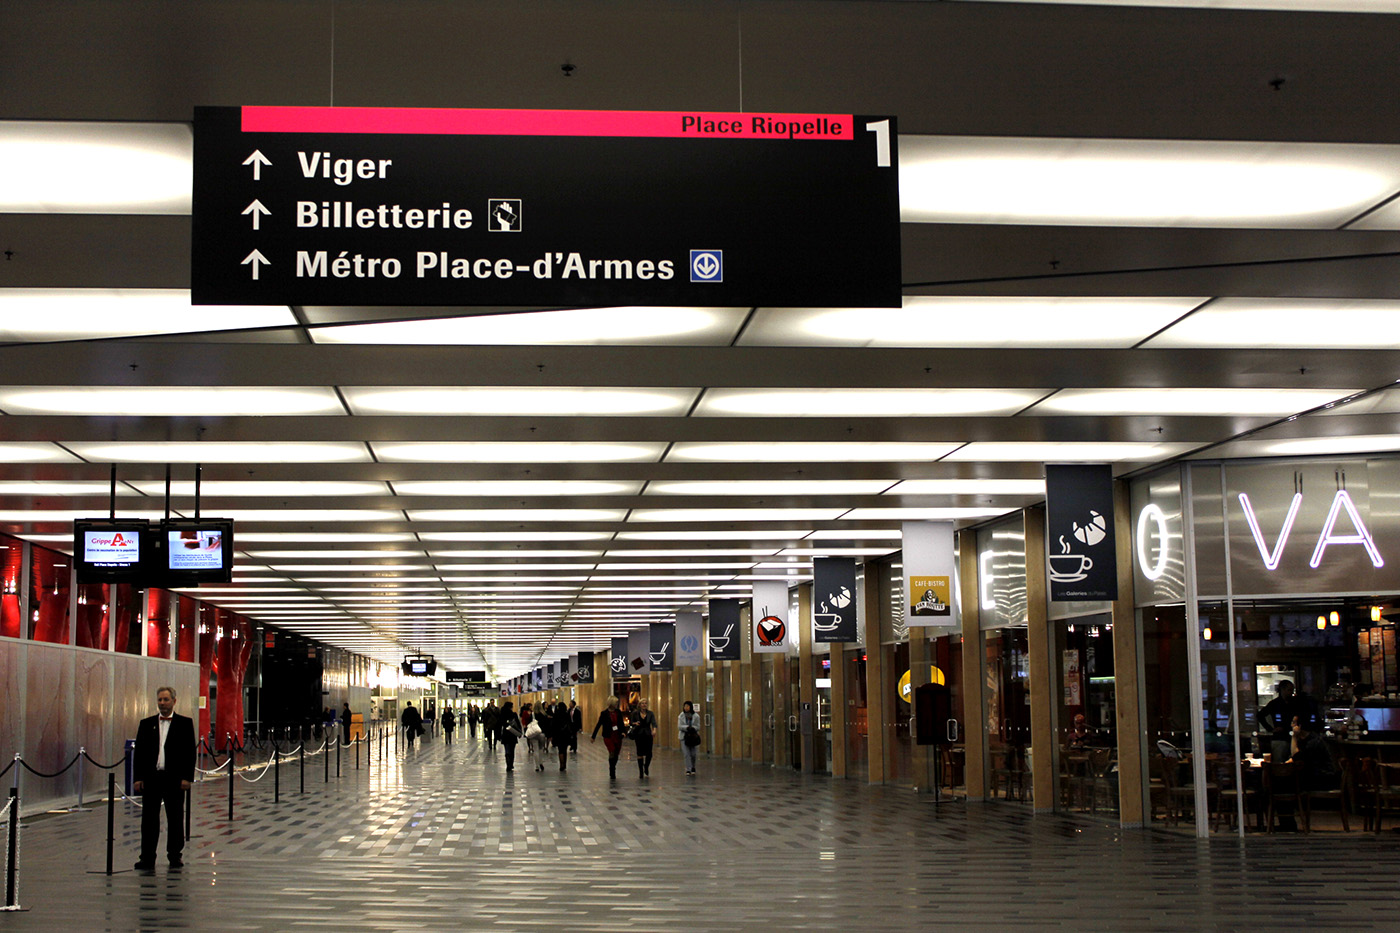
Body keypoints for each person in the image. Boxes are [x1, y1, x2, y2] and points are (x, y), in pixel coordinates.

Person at [132, 686, 196, 871]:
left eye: (166, 699)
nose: (162, 703)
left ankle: (175, 856)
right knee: (149, 819)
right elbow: (141, 754)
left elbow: (189, 753)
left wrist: (187, 778)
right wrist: (138, 778)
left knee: (175, 818)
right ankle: (147, 857)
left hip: (174, 779)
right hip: (152, 778)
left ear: (174, 701)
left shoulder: (184, 724)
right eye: (160, 700)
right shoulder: (146, 724)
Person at [1258, 680, 1309, 761]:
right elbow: (1260, 715)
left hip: (1294, 737)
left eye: (1292, 690)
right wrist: (1270, 729)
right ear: (1282, 689)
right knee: (1280, 762)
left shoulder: (1295, 703)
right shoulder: (1275, 704)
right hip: (1280, 738)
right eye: (1289, 690)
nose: (1291, 693)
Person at [591, 696, 626, 779]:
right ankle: (612, 769)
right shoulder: (604, 713)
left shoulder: (618, 712)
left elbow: (621, 723)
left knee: (616, 753)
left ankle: (613, 765)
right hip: (608, 736)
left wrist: (624, 732)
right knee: (612, 751)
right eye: (616, 703)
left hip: (617, 735)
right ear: (611, 703)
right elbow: (599, 724)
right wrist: (593, 736)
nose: (617, 705)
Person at [631, 697, 659, 778]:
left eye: (645, 703)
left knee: (649, 753)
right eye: (642, 703)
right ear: (639, 705)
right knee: (639, 752)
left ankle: (646, 766)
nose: (644, 705)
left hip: (648, 734)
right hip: (638, 734)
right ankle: (640, 772)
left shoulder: (650, 713)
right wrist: (635, 723)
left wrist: (654, 730)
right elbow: (631, 723)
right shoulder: (635, 713)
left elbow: (654, 723)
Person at [678, 700, 701, 775]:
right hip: (684, 736)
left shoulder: (696, 716)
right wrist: (687, 727)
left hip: (693, 737)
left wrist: (693, 728)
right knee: (686, 753)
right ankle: (688, 769)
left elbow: (698, 726)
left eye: (687, 706)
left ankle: (693, 767)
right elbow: (679, 726)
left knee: (693, 754)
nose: (686, 708)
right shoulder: (681, 716)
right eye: (685, 706)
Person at [498, 701, 522, 771]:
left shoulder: (502, 715)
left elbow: (499, 725)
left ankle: (508, 764)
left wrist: (499, 735)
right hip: (513, 734)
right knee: (512, 750)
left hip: (505, 734)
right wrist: (520, 733)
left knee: (507, 750)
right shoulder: (513, 714)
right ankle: (511, 764)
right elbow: (518, 725)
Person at [552, 700, 571, 772]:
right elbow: (570, 724)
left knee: (560, 750)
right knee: (565, 749)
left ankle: (561, 764)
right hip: (566, 735)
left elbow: (553, 725)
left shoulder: (556, 714)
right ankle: (565, 764)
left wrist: (552, 735)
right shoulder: (567, 714)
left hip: (558, 734)